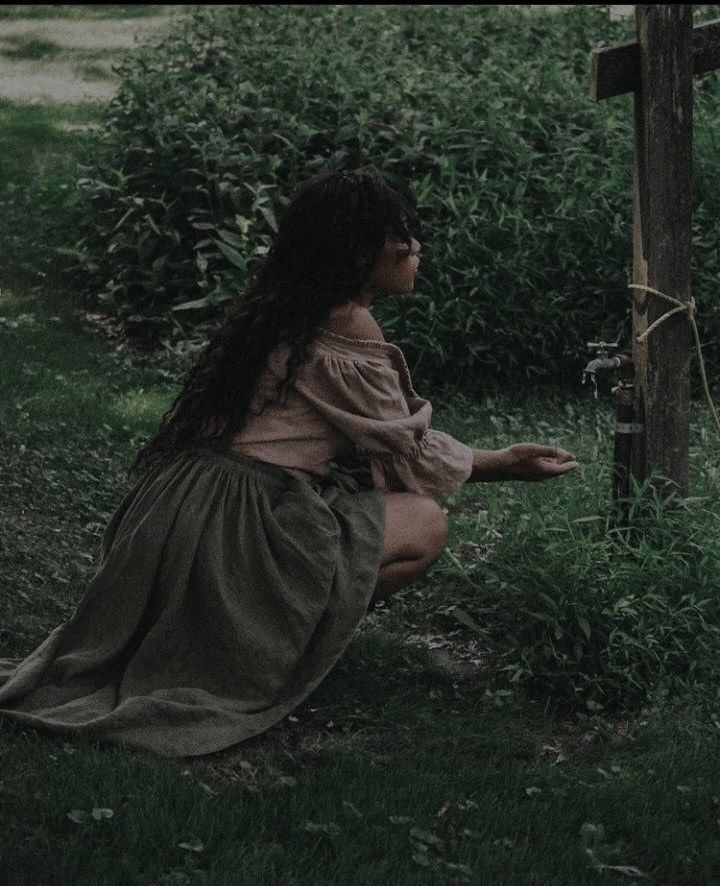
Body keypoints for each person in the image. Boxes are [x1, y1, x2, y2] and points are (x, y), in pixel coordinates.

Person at [0, 166, 578, 758]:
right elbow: (405, 449)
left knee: (356, 506)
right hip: (232, 522)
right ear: (358, 252)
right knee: (426, 521)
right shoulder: (347, 320)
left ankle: (238, 640)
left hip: (171, 511)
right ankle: (266, 653)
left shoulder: (278, 304)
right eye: (401, 237)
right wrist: (502, 462)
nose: (415, 248)